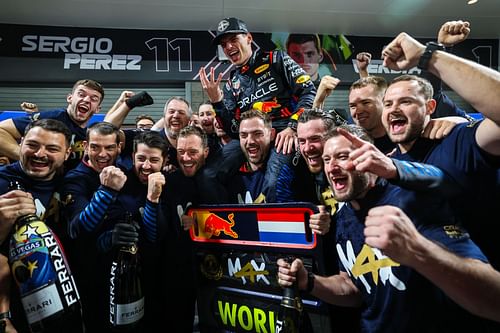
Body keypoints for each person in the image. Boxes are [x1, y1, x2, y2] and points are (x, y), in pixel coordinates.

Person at [278, 124, 500, 331]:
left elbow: (493, 297)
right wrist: (310, 282)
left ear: (368, 156)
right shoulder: (344, 215)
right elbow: (353, 287)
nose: (332, 167)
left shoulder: (412, 199)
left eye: (342, 157)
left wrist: (417, 249)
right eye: (327, 159)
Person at [381, 34, 500, 275]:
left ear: (430, 107)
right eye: (388, 103)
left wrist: (429, 56)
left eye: (405, 101)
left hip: (483, 296)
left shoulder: (458, 141)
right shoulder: (388, 165)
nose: (394, 109)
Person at [199, 17, 316, 202]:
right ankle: (229, 225)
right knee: (208, 176)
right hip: (248, 136)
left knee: (274, 184)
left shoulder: (276, 59)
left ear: (248, 38)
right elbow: (232, 129)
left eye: (233, 40)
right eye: (224, 44)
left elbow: (309, 91)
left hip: (283, 133)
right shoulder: (231, 84)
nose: (228, 47)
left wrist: (294, 127)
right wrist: (217, 101)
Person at [0, 119, 73, 333]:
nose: (40, 154)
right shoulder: (3, 183)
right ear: (20, 143)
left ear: (67, 154)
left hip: (62, 303)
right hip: (14, 312)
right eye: (32, 145)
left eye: (52, 149)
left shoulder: (69, 182)